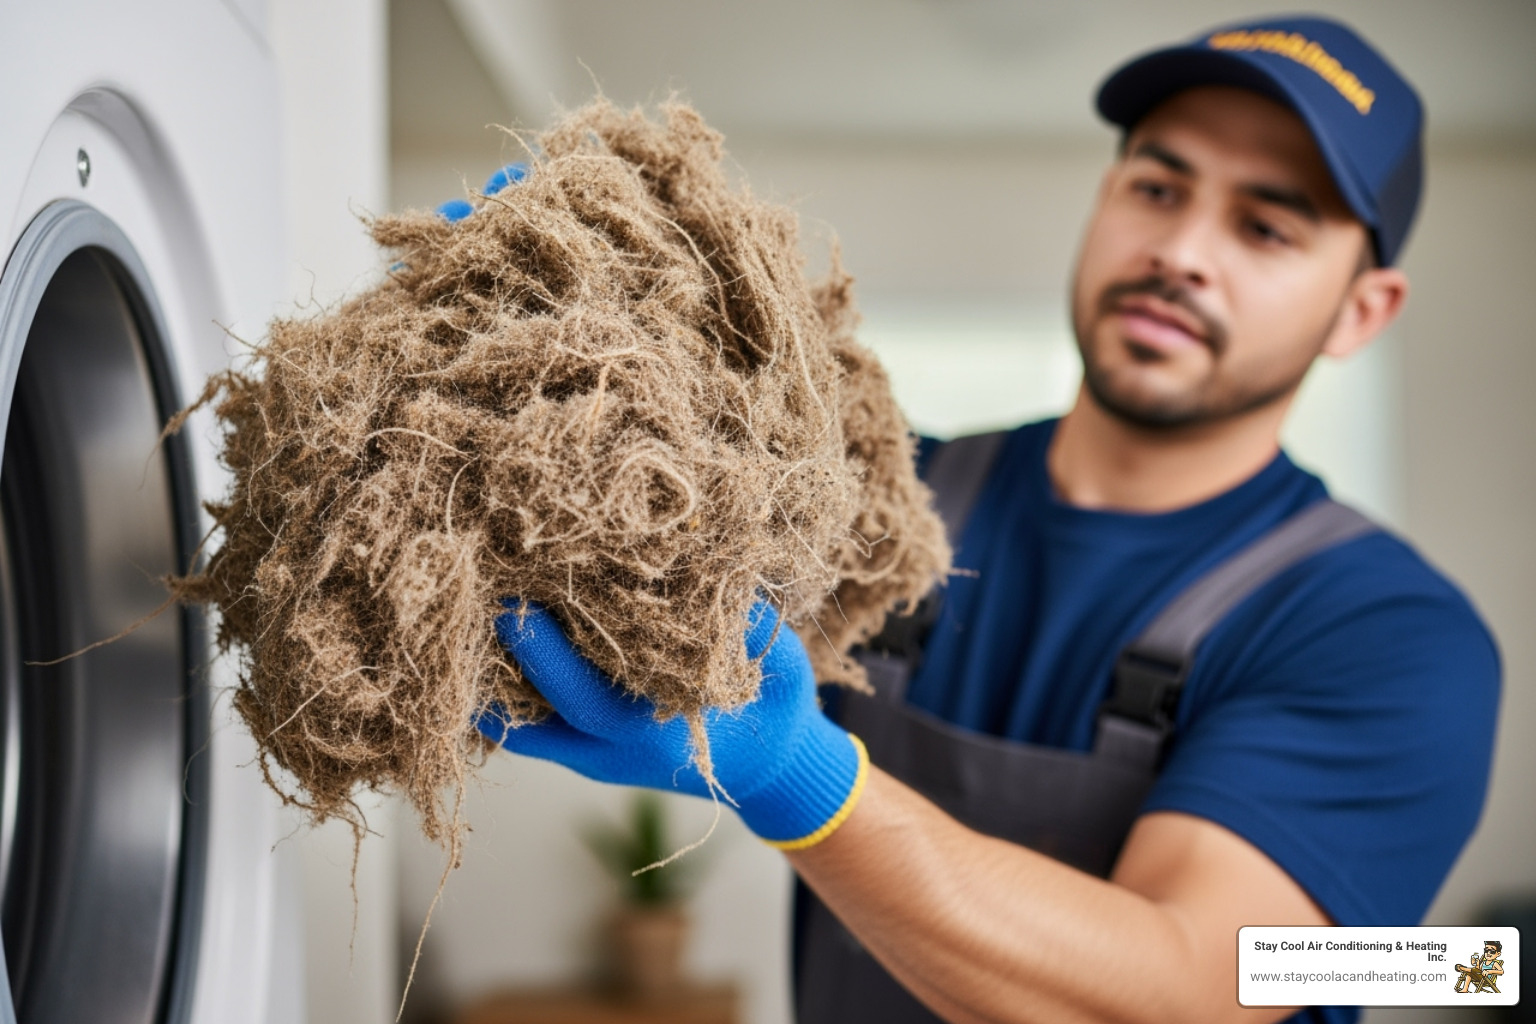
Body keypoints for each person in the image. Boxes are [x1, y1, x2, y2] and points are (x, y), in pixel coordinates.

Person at [478, 15, 1500, 1024]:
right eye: (1157, 187)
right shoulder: (883, 495)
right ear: (1105, 199)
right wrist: (523, 366)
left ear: (1364, 310)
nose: (1183, 250)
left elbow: (1189, 989)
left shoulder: (1396, 642)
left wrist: (796, 776)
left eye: (1266, 227)